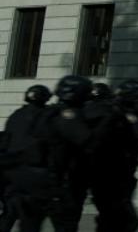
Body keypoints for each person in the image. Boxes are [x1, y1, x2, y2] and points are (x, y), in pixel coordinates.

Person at [10, 75, 94, 232]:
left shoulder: (44, 113)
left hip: (30, 183)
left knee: (29, 227)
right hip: (57, 185)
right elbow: (90, 144)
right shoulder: (69, 116)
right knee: (65, 226)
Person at [88, 79, 138, 232]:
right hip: (110, 178)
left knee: (113, 221)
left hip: (119, 177)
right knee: (122, 221)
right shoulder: (119, 115)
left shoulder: (121, 113)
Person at [0, 85, 51, 232]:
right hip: (33, 174)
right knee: (30, 220)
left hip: (10, 172)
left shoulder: (16, 115)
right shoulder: (46, 116)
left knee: (9, 213)